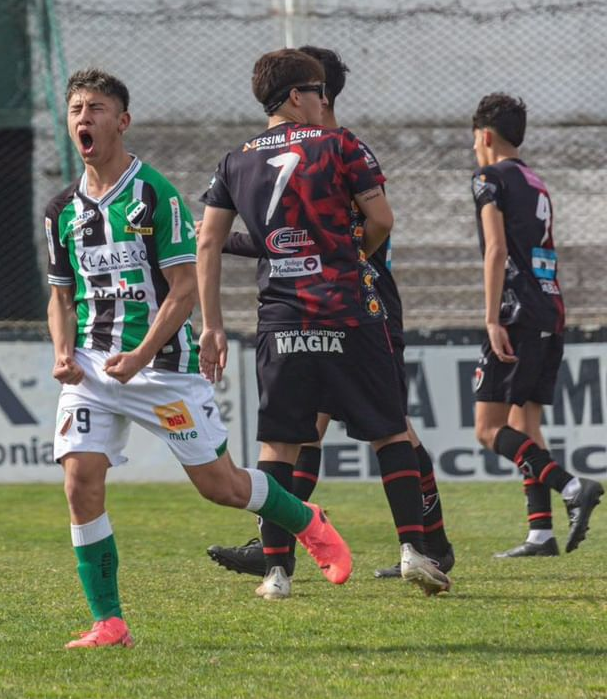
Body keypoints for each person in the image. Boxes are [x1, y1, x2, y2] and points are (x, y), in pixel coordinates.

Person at [45, 67, 353, 650]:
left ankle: (308, 522)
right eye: (76, 109)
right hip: (91, 370)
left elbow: (184, 289)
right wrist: (64, 351)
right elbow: (61, 295)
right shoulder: (61, 209)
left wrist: (139, 356)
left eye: (96, 109)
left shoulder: (153, 194)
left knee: (223, 486)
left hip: (161, 368)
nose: (84, 118)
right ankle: (109, 622)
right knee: (80, 482)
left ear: (122, 121)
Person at [198, 48, 451, 598]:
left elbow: (209, 240)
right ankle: (414, 548)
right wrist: (349, 253)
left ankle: (276, 573)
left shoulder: (234, 160)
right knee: (388, 431)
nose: (323, 101)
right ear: (296, 96)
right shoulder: (340, 145)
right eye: (316, 92)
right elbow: (381, 218)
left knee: (277, 446)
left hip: (282, 321)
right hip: (347, 311)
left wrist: (212, 324)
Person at [469, 93, 603, 557]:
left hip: (517, 312)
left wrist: (490, 318)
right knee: (526, 423)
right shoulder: (535, 181)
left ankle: (570, 487)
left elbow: (496, 250)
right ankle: (540, 533)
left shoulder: (489, 177)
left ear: (484, 136)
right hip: (551, 309)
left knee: (488, 430)